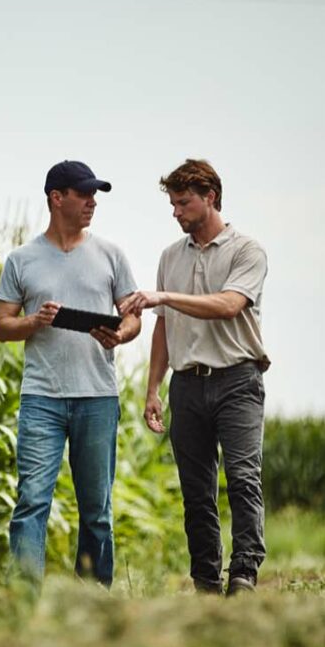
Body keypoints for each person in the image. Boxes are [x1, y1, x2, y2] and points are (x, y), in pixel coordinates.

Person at [119, 158, 269, 596]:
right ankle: (205, 579)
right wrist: (152, 390)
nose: (176, 212)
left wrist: (163, 294)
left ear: (211, 198)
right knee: (196, 491)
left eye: (183, 203)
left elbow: (227, 305)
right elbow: (163, 325)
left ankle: (244, 573)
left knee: (242, 478)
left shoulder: (247, 251)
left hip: (237, 380)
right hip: (185, 385)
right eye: (172, 203)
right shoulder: (170, 257)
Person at [0, 160, 142, 587]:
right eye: (84, 194)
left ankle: (91, 599)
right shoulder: (21, 260)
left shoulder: (111, 255)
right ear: (57, 198)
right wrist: (34, 322)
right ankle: (25, 598)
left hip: (98, 397)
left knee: (96, 509)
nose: (92, 202)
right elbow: (3, 326)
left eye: (95, 195)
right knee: (32, 502)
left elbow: (133, 318)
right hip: (41, 398)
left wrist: (121, 335)